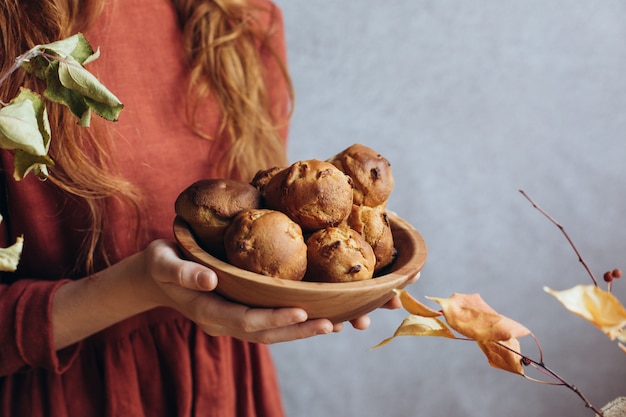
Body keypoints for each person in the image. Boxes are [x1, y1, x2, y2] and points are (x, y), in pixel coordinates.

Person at [0, 0, 407, 416]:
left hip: (225, 387)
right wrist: (142, 284)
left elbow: (272, 208)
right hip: (70, 395)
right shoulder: (13, 36)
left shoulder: (240, 16)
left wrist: (333, 286)